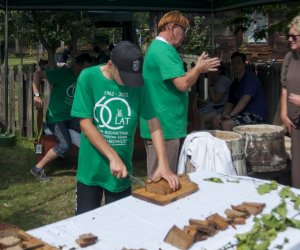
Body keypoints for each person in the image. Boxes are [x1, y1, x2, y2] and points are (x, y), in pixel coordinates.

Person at [71, 41, 179, 215]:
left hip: (122, 171)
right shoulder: (88, 77)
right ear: (110, 65)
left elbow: (153, 121)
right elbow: (85, 123)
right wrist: (112, 156)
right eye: (125, 77)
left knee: (119, 225)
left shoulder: (138, 84)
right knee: (85, 225)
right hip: (91, 169)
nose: (130, 83)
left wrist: (163, 164)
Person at [139, 11, 220, 178]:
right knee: (162, 181)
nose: (184, 36)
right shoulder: (164, 51)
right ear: (172, 27)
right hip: (164, 126)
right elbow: (182, 84)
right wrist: (198, 69)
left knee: (163, 179)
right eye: (184, 31)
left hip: (161, 124)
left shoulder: (157, 48)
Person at [31, 53, 94, 182]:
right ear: (77, 66)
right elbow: (37, 74)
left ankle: (91, 165)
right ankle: (37, 168)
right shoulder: (62, 73)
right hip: (56, 117)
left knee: (91, 133)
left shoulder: (85, 77)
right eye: (85, 68)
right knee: (64, 145)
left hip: (72, 116)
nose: (87, 71)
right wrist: (37, 95)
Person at [212, 52, 267, 131]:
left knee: (226, 124)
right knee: (216, 119)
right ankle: (219, 143)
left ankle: (229, 143)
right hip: (242, 114)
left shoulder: (250, 79)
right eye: (233, 63)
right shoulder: (234, 84)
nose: (235, 65)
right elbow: (229, 103)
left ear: (244, 64)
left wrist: (230, 115)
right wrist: (224, 114)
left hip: (256, 115)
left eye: (238, 62)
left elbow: (245, 99)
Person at [280, 15, 300, 189]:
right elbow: (284, 87)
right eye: (289, 36)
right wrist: (284, 113)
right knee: (297, 169)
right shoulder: (289, 57)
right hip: (296, 125)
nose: (290, 40)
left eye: (294, 36)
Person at [197, 66, 232, 130]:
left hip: (222, 108)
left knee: (202, 117)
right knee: (196, 114)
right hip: (215, 107)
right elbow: (210, 99)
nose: (208, 72)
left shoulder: (222, 81)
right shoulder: (214, 80)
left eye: (211, 70)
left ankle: (203, 136)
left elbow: (216, 100)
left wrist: (210, 85)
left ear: (219, 71)